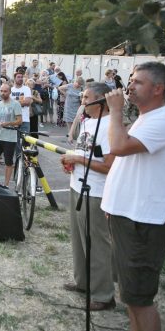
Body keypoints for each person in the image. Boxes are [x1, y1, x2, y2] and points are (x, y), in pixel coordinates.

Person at [101, 62, 165, 331]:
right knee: (130, 294)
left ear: (158, 88)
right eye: (131, 80)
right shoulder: (146, 117)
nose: (129, 86)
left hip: (142, 222)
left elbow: (119, 146)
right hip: (127, 217)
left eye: (137, 82)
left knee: (140, 299)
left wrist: (114, 111)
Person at [59, 83, 116, 311]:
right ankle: (83, 282)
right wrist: (72, 162)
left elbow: (110, 165)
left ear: (100, 101)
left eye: (86, 97)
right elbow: (86, 153)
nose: (82, 101)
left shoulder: (110, 126)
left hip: (97, 192)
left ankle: (104, 294)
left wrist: (79, 160)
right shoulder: (87, 122)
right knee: (79, 239)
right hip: (78, 186)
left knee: (97, 243)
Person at [0, 84, 22, 186]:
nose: (2, 93)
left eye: (5, 91)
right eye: (1, 91)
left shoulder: (15, 104)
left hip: (9, 138)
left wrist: (8, 123)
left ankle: (6, 185)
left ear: (9, 92)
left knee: (8, 162)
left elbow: (19, 121)